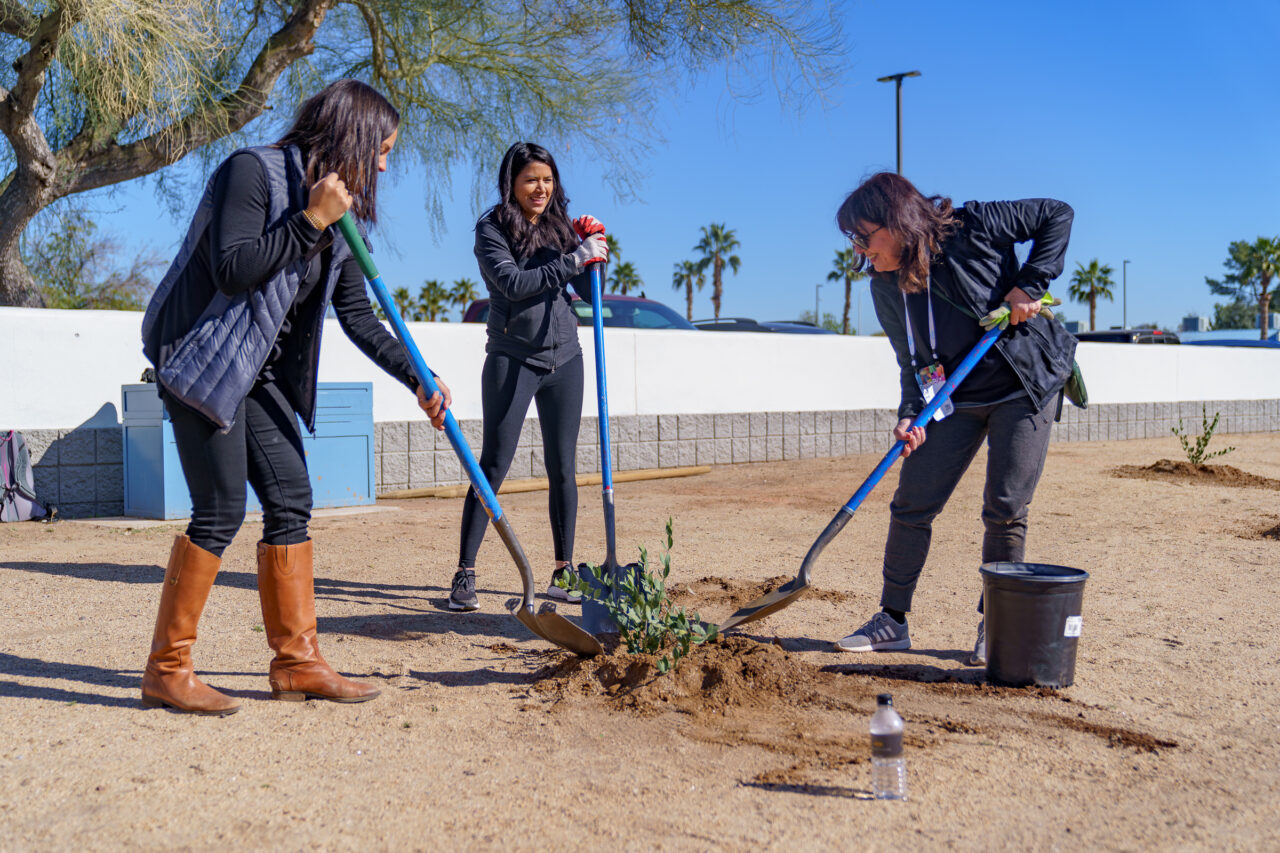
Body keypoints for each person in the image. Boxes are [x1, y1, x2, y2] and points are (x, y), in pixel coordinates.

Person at [138, 79, 451, 715]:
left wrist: (417, 373)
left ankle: (297, 662)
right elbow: (233, 267)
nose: (385, 165)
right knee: (221, 510)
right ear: (351, 139)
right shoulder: (250, 173)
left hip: (263, 374)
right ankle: (167, 669)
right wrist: (310, 218)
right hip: (201, 357)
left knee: (290, 499)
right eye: (382, 150)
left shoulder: (345, 223)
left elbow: (358, 316)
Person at [831, 172, 1075, 664]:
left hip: (1021, 386)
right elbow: (911, 359)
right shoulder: (884, 285)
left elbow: (1057, 213)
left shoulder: (975, 225)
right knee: (912, 503)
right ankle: (891, 620)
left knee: (1004, 506)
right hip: (951, 397)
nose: (861, 250)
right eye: (853, 239)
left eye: (865, 235)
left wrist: (1030, 282)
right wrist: (908, 413)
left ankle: (997, 624)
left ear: (897, 221)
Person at [448, 141, 608, 612]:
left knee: (563, 468)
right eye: (530, 180)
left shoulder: (562, 228)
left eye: (547, 179)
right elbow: (514, 285)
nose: (541, 188)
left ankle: (564, 570)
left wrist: (595, 253)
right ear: (512, 184)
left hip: (565, 359)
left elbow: (584, 287)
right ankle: (465, 573)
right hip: (512, 358)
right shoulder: (492, 228)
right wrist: (574, 258)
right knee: (493, 465)